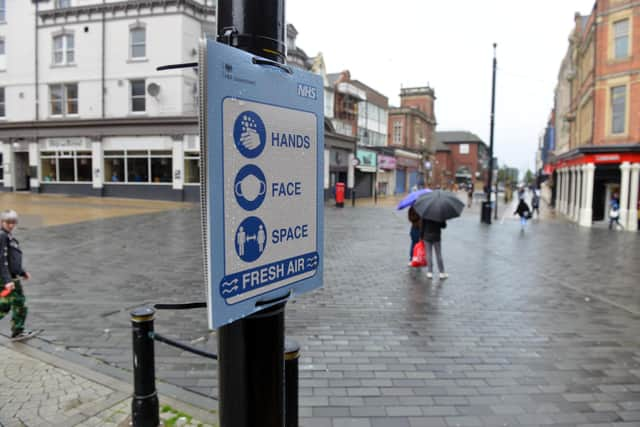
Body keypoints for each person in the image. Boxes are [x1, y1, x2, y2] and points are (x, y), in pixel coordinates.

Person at [0, 210, 35, 341]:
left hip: (12, 277)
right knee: (15, 304)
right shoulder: (2, 236)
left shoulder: (8, 237)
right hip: (7, 279)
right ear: (2, 222)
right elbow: (1, 260)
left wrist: (22, 271)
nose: (11, 225)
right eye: (8, 222)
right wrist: (8, 280)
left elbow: (12, 258)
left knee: (9, 305)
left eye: (13, 222)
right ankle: (18, 331)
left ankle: (18, 331)